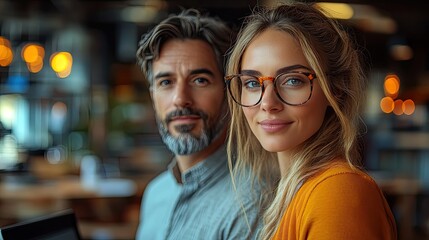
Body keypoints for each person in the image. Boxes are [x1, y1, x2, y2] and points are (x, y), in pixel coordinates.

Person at [225, 2, 397, 240]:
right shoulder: (295, 191)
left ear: (335, 89)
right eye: (252, 83)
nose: (267, 102)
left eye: (293, 80)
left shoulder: (337, 192)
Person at [135, 9, 263, 240]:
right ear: (153, 95)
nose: (180, 98)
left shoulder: (251, 206)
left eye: (199, 80)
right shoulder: (156, 193)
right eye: (166, 82)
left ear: (230, 92)